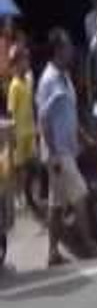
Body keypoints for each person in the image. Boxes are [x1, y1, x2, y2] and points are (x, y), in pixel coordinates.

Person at [36, 28, 97, 266]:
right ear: (58, 50)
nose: (71, 51)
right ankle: (90, 245)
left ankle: (52, 252)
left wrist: (84, 137)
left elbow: (69, 113)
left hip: (67, 148)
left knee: (57, 205)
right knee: (80, 195)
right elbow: (44, 119)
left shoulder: (64, 77)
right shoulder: (48, 80)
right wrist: (54, 153)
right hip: (58, 152)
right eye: (67, 47)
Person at [7, 45, 36, 211]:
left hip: (30, 130)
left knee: (30, 165)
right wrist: (12, 135)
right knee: (18, 168)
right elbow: (12, 112)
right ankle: (18, 195)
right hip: (18, 133)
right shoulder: (14, 86)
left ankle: (27, 193)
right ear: (16, 64)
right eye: (23, 61)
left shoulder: (28, 81)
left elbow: (31, 105)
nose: (26, 64)